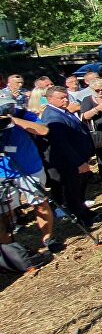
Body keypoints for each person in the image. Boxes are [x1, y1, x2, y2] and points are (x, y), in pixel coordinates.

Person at [0, 99, 62, 252]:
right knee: (5, 212)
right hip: (4, 172)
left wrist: (12, 120)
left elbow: (43, 130)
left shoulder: (22, 114)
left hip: (30, 168)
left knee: (40, 203)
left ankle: (48, 238)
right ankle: (11, 249)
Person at [40, 86, 95, 228]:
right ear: (50, 99)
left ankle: (86, 213)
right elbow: (61, 144)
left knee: (79, 190)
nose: (65, 100)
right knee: (73, 192)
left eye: (66, 97)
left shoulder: (63, 111)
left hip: (78, 157)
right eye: (61, 98)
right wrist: (78, 162)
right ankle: (82, 219)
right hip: (69, 162)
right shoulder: (52, 117)